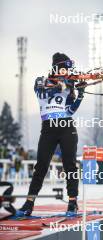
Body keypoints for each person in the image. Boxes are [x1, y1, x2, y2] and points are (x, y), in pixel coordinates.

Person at [18, 53, 85, 216]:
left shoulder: (69, 86)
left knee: (70, 165)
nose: (67, 72)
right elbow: (45, 92)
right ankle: (29, 202)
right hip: (48, 128)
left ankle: (72, 202)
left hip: (66, 126)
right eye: (64, 69)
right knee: (41, 166)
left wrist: (80, 95)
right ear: (56, 68)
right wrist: (63, 85)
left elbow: (69, 111)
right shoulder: (41, 81)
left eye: (68, 70)